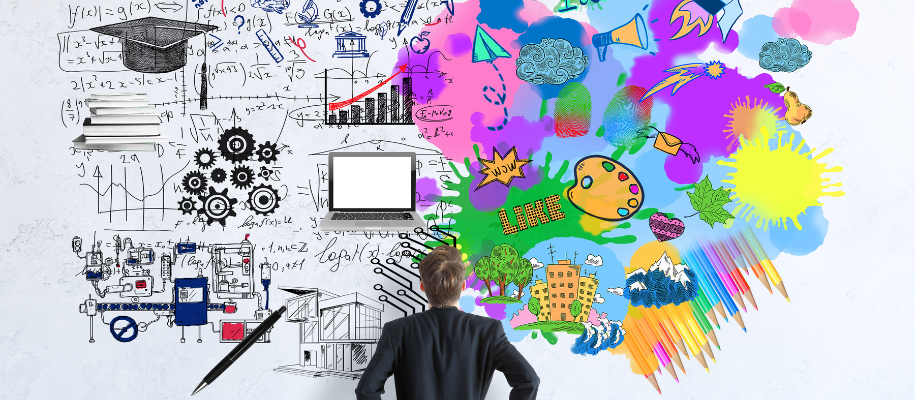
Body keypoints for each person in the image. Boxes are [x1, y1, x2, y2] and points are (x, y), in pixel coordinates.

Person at [355, 245, 539, 400]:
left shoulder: (396, 331)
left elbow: (366, 390)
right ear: (464, 286)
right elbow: (529, 380)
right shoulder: (489, 331)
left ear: (421, 287)